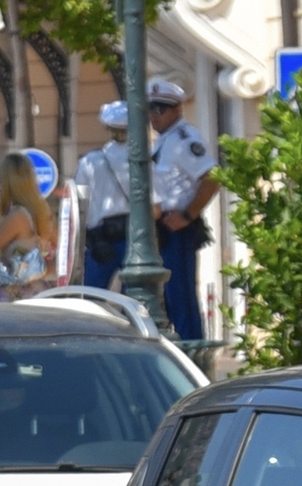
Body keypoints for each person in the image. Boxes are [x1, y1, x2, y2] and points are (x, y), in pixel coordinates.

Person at [146, 77, 219, 342]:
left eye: (160, 109)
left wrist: (188, 214)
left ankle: (195, 351)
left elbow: (212, 178)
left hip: (177, 228)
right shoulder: (163, 140)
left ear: (177, 109)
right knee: (167, 297)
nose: (154, 115)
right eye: (150, 109)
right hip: (162, 228)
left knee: (182, 297)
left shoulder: (184, 140)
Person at [0, 151, 56, 302]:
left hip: (14, 296)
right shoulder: (40, 211)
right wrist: (43, 273)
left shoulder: (17, 217)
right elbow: (65, 249)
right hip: (37, 293)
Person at [74, 100, 132, 290]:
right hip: (135, 236)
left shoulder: (91, 161)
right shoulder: (145, 159)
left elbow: (80, 201)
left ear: (107, 127)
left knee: (93, 296)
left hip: (101, 237)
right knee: (136, 295)